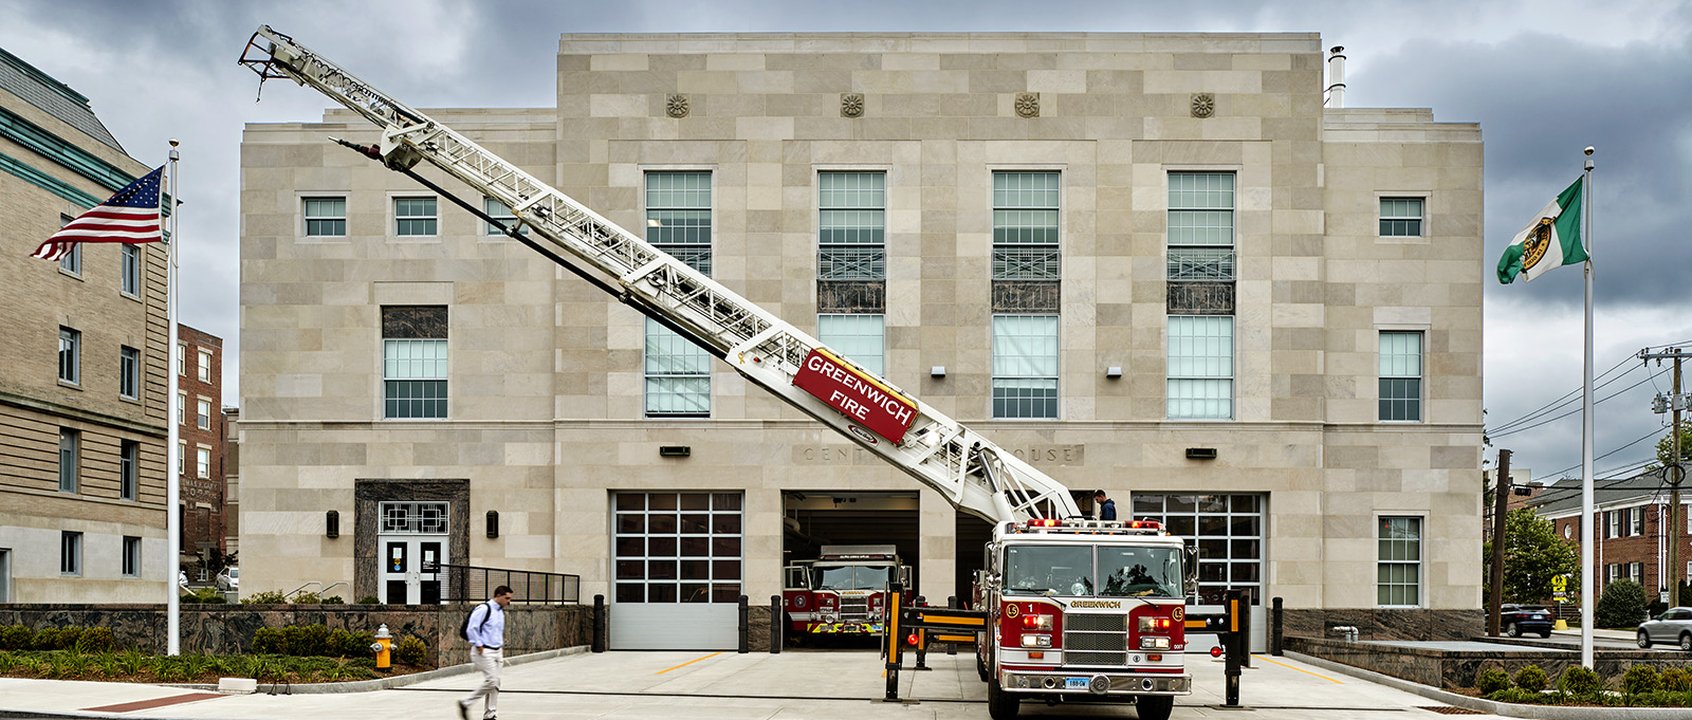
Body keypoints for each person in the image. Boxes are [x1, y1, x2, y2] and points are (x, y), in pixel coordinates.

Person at [459, 585, 514, 720]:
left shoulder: (500, 612)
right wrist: (479, 644)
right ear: (498, 596)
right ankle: (466, 703)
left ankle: (490, 714)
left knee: (496, 683)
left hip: (497, 651)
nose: (509, 602)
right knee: (492, 681)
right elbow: (472, 628)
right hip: (484, 651)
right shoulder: (484, 609)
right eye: (507, 598)